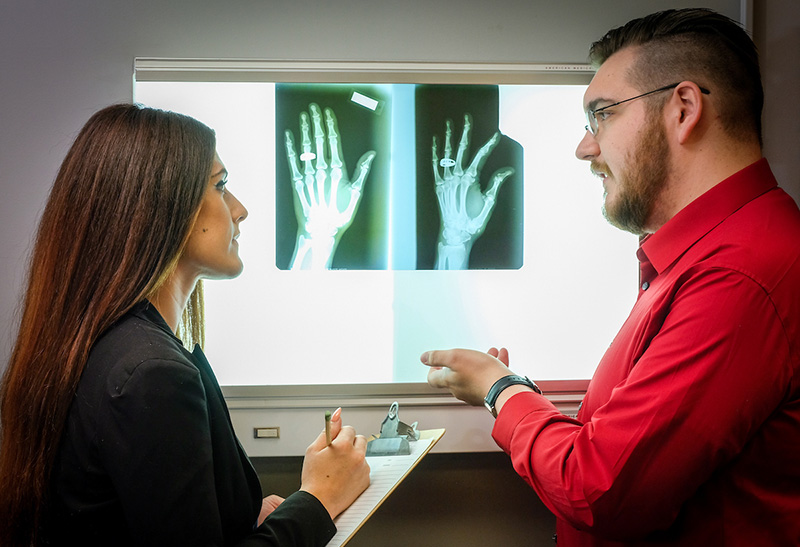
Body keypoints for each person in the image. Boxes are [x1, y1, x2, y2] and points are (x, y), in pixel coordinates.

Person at [422, 8, 800, 546]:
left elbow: (598, 489)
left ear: (684, 109)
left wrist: (500, 390)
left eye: (602, 114)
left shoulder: (741, 274)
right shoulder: (706, 258)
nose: (585, 147)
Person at [0, 104, 370, 546]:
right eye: (221, 185)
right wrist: (319, 500)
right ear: (163, 204)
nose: (241, 210)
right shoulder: (150, 374)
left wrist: (246, 518)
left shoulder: (113, 349)